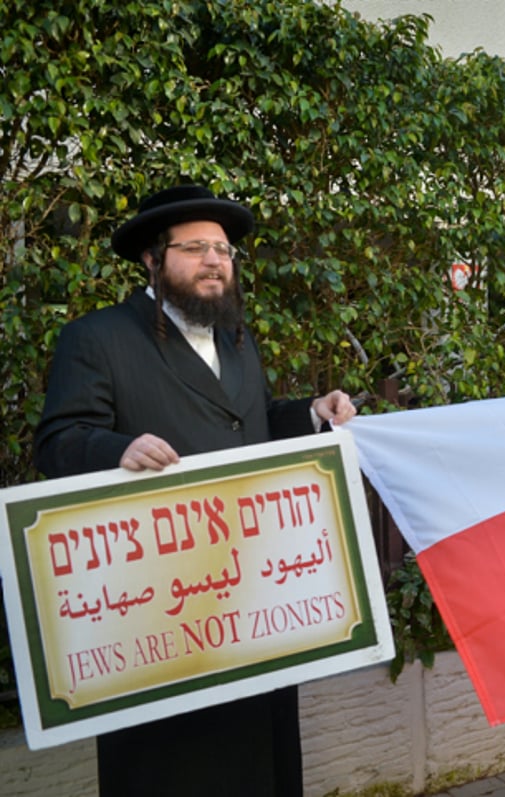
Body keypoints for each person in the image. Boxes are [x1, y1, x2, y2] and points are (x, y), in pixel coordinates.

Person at [34, 185, 358, 796]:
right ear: (152, 260)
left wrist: (311, 413)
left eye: (223, 249)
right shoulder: (98, 338)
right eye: (195, 248)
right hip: (160, 618)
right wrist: (115, 450)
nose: (215, 260)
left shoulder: (237, 338)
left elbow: (253, 418)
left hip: (252, 604)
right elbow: (58, 440)